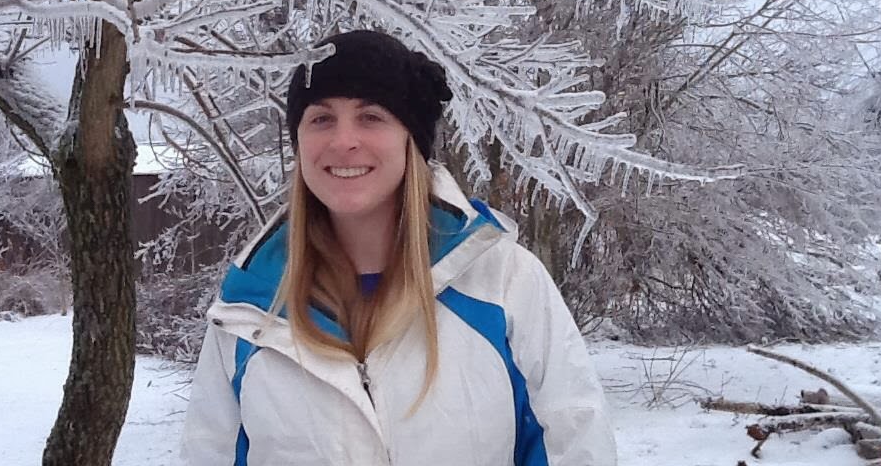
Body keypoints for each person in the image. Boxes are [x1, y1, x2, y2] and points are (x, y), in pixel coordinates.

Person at [181, 29, 617, 466]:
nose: (343, 141)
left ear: (412, 140)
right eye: (321, 119)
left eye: (371, 116)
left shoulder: (503, 282)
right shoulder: (248, 310)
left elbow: (575, 445)